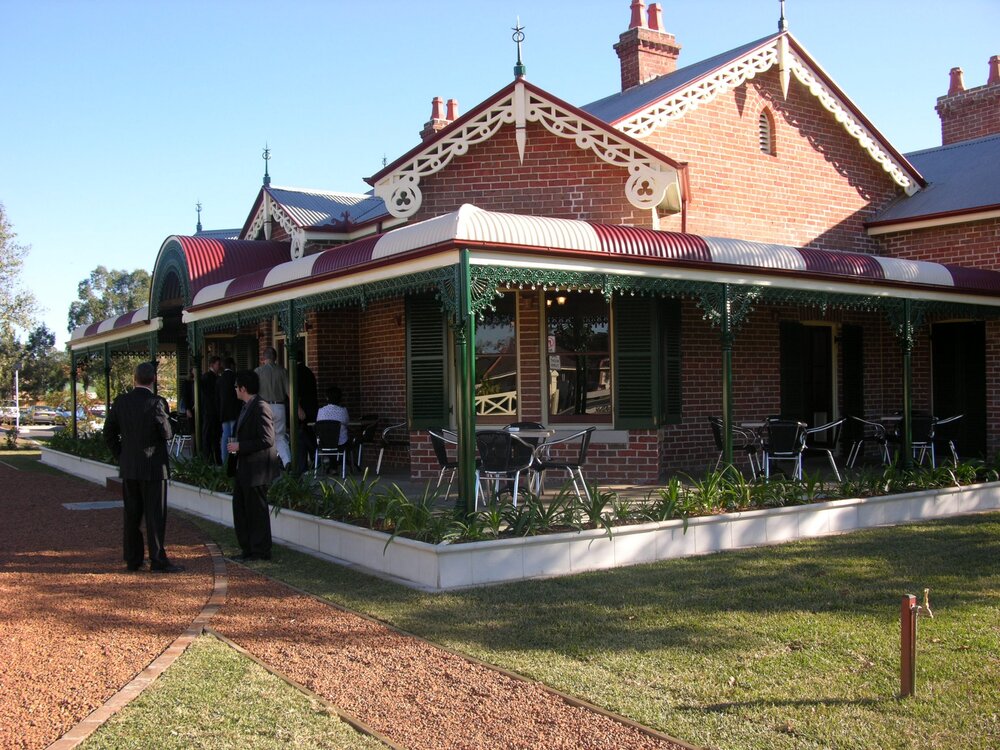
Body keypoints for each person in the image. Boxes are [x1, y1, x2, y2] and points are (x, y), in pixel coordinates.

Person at [103, 361, 184, 573]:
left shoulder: (121, 402)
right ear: (154, 380)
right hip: (154, 467)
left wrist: (122, 455)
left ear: (134, 379)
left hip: (130, 466)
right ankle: (157, 559)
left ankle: (133, 558)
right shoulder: (156, 403)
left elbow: (109, 433)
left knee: (132, 514)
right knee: (155, 515)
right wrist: (172, 421)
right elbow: (166, 433)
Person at [226, 369, 280, 561]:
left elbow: (267, 439)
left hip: (257, 469)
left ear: (243, 388)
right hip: (243, 468)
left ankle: (260, 551)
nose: (234, 390)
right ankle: (247, 548)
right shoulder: (245, 407)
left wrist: (241, 446)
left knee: (256, 511)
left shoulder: (260, 407)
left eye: (236, 387)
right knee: (241, 509)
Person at [255, 346, 291, 468]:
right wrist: (298, 408)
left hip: (263, 406)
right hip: (279, 406)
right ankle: (287, 461)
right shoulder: (282, 371)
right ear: (275, 358)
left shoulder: (258, 372)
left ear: (263, 358)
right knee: (280, 437)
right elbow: (289, 392)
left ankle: (266, 463)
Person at [295, 354, 318, 473]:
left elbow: (296, 393)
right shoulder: (309, 372)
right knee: (308, 434)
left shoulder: (295, 373)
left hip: (302, 409)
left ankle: (303, 465)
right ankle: (315, 457)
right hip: (312, 408)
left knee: (301, 436)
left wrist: (298, 408)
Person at [199, 355, 222, 464]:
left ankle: (214, 458)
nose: (219, 366)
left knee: (215, 436)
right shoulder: (208, 377)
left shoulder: (215, 377)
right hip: (209, 410)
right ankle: (208, 458)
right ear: (212, 365)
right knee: (209, 435)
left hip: (213, 411)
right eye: (218, 364)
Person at [217, 356, 240, 460]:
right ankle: (232, 457)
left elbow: (216, 396)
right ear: (231, 365)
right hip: (234, 410)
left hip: (223, 411)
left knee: (225, 435)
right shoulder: (235, 377)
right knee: (233, 435)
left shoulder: (220, 379)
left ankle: (224, 459)